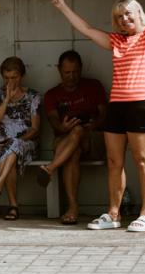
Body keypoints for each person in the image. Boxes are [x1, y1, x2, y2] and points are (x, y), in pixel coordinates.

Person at [51, 0, 145, 232]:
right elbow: (86, 28)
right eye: (119, 16)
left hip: (142, 105)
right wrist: (62, 6)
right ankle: (113, 214)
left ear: (139, 14)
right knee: (115, 162)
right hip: (117, 106)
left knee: (142, 160)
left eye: (128, 13)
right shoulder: (116, 41)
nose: (124, 19)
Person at [39, 50, 108, 225]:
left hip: (92, 139)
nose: (71, 76)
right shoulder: (51, 94)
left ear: (81, 69)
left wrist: (95, 124)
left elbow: (105, 114)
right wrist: (62, 127)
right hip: (64, 140)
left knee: (77, 131)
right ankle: (72, 209)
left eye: (75, 71)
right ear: (59, 70)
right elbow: (54, 120)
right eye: (67, 72)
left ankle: (50, 168)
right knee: (73, 151)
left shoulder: (94, 85)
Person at [0, 57, 41, 221]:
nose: (9, 81)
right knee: (10, 153)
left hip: (28, 144)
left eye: (13, 77)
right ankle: (13, 207)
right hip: (3, 147)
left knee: (13, 146)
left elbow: (35, 130)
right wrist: (7, 99)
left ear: (23, 76)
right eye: (6, 78)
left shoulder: (33, 96)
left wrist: (16, 142)